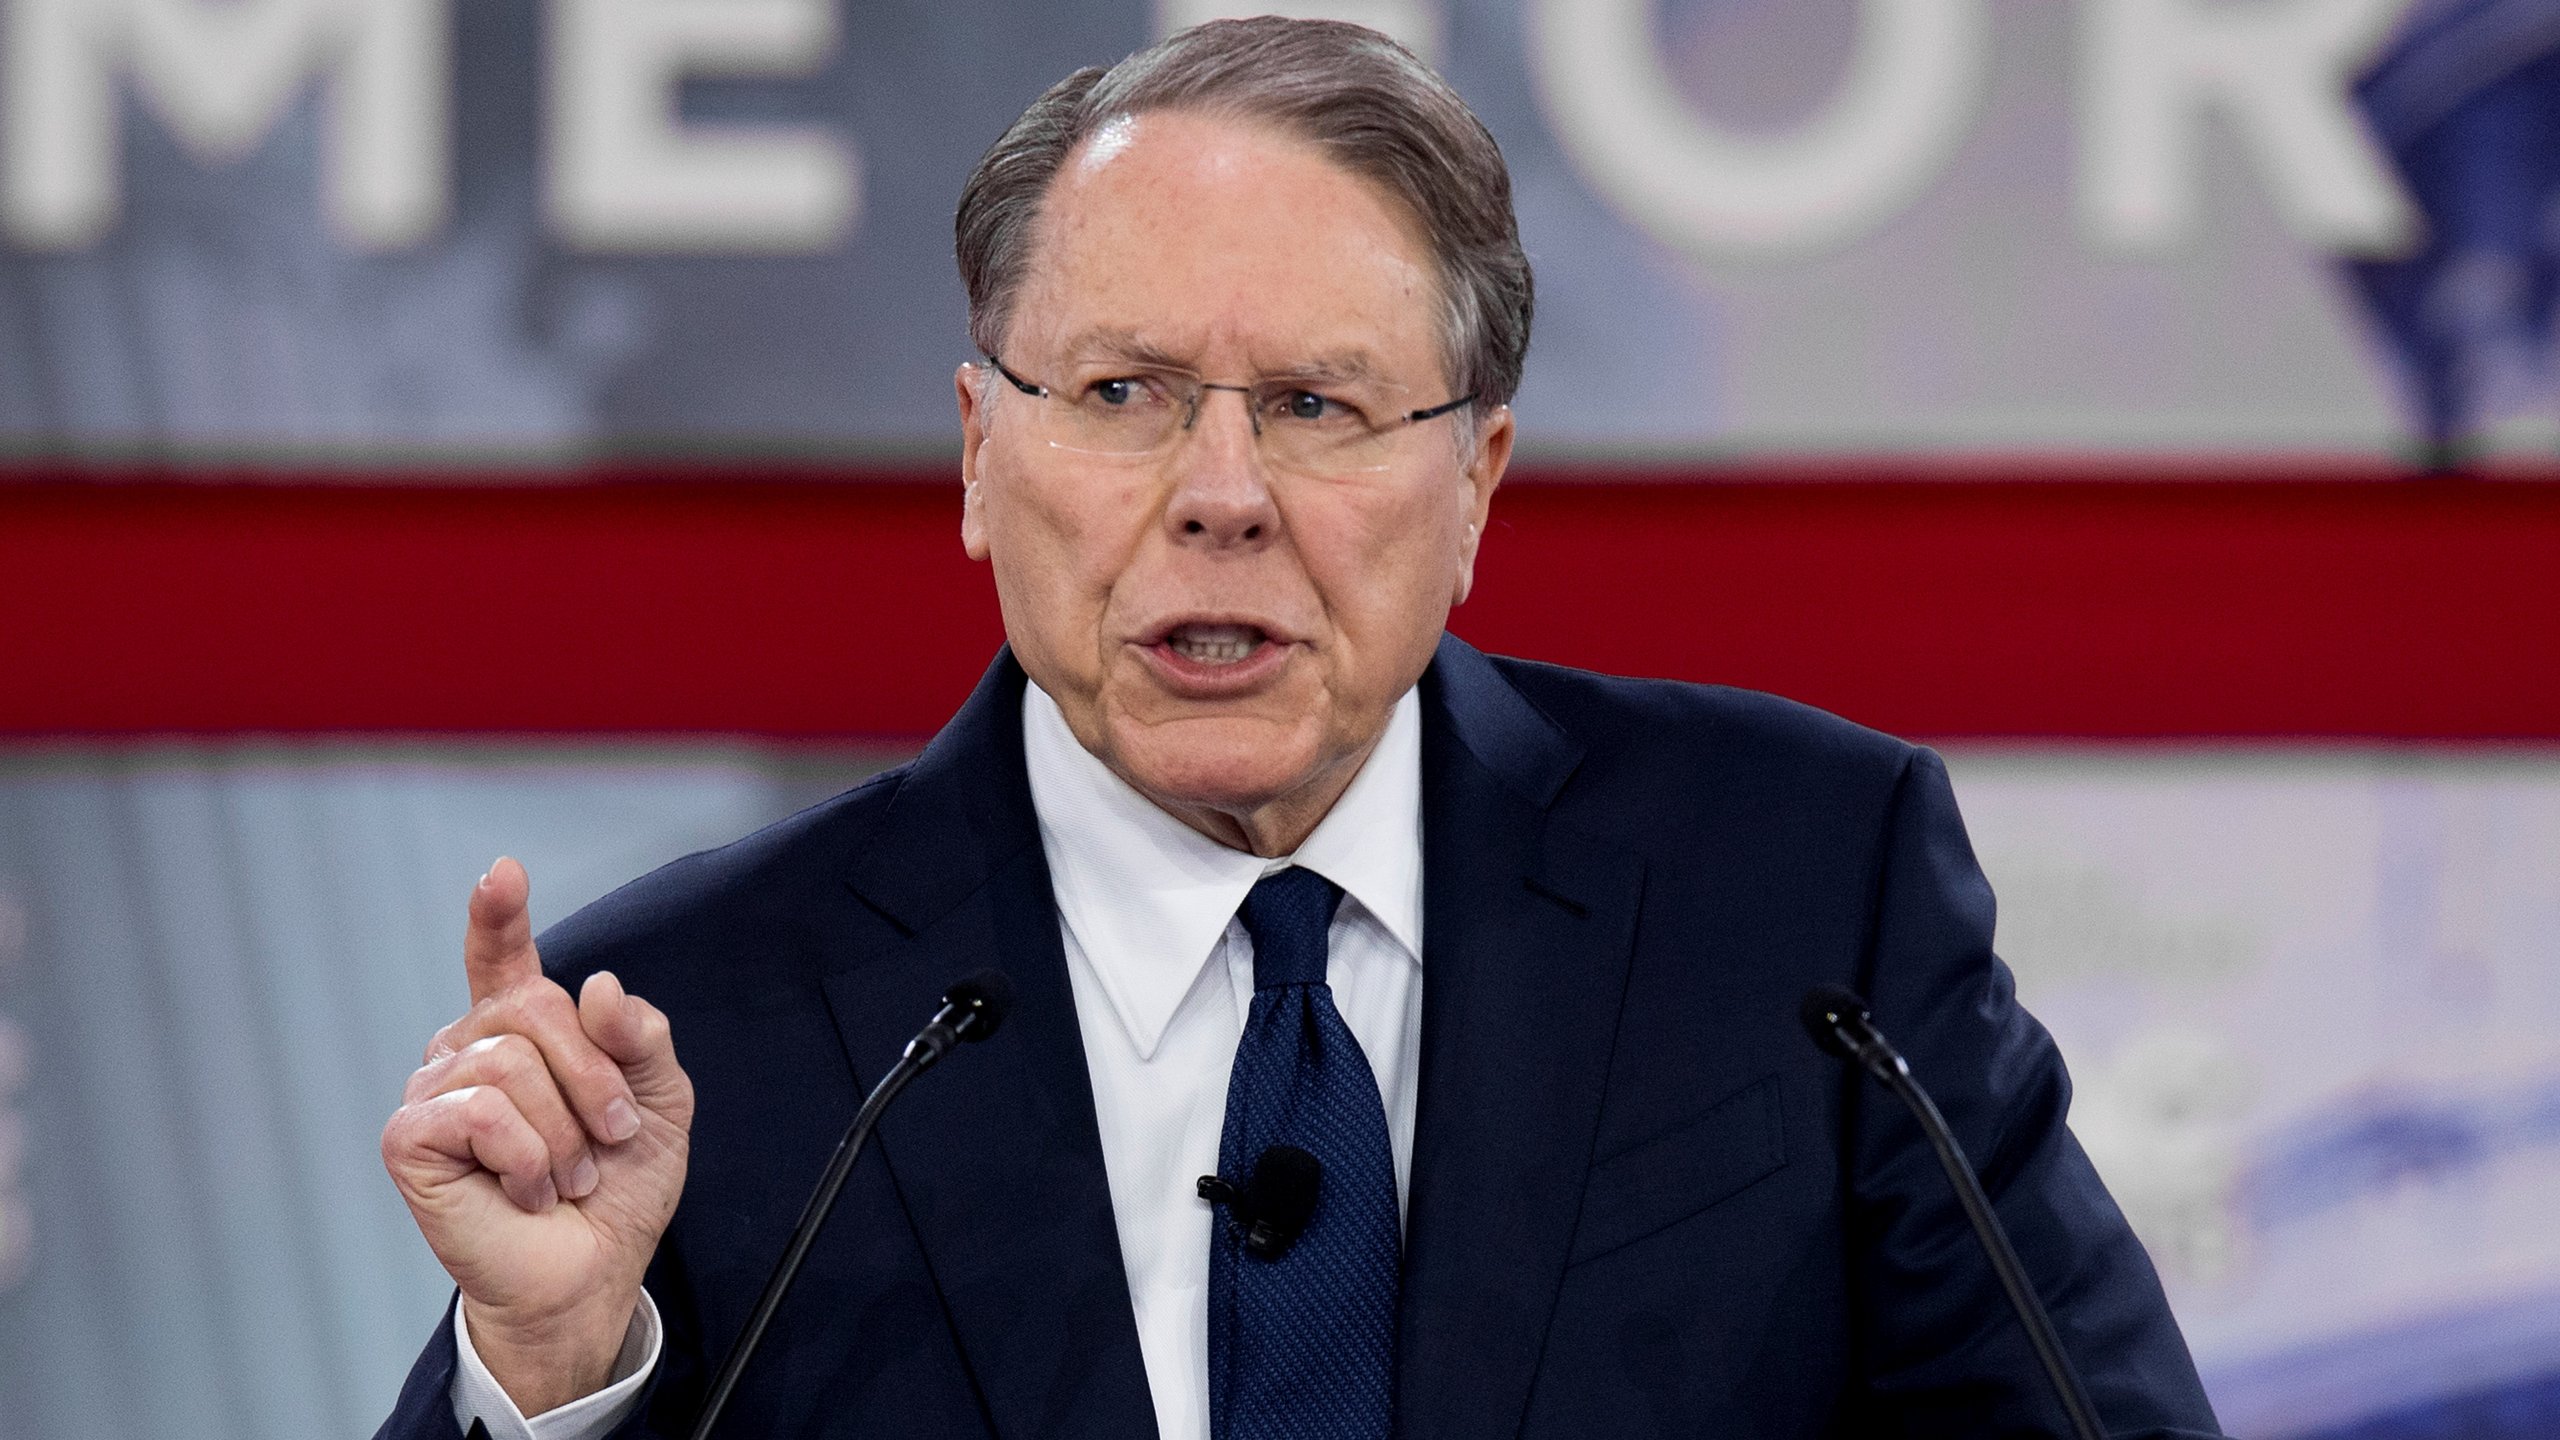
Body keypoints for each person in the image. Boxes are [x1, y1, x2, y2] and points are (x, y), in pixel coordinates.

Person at [374, 17, 2224, 1440]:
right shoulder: (693, 1028)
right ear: (974, 453)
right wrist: (550, 1374)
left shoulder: (1805, 897)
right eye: (1122, 392)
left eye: (1325, 406)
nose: (1223, 495)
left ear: (1480, 478)